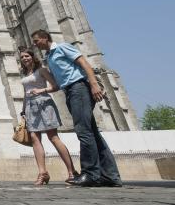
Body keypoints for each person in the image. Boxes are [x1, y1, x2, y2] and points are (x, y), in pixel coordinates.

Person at [31, 29, 122, 187]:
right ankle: (111, 176)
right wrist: (42, 90)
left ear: (45, 38)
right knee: (93, 133)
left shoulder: (62, 48)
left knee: (83, 131)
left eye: (36, 40)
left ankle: (90, 174)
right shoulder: (49, 57)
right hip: (69, 91)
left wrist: (93, 84)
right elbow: (60, 81)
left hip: (78, 88)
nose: (35, 44)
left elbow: (84, 63)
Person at [19, 48, 79, 185]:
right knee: (34, 138)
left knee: (53, 137)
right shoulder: (24, 73)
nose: (24, 58)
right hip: (30, 106)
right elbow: (25, 92)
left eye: (27, 56)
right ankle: (42, 173)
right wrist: (23, 110)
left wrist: (41, 90)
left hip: (44, 104)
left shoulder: (42, 70)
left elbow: (56, 86)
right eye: (22, 57)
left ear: (33, 57)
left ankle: (72, 171)